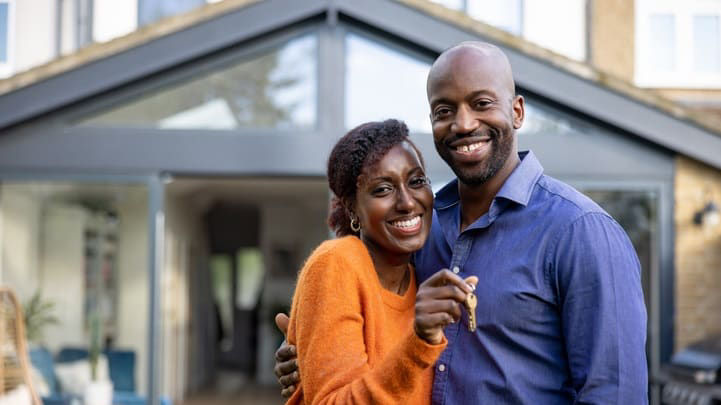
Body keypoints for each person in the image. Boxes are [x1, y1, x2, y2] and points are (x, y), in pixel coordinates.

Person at [275, 41, 649, 404]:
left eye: (482, 103)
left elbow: (614, 394)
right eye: (444, 110)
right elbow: (372, 328)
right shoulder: (424, 229)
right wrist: (310, 351)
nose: (463, 123)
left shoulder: (580, 231)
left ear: (517, 111)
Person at [283, 119, 479, 404]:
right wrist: (418, 343)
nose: (407, 202)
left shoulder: (421, 278)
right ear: (353, 207)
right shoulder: (337, 263)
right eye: (383, 189)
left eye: (416, 182)